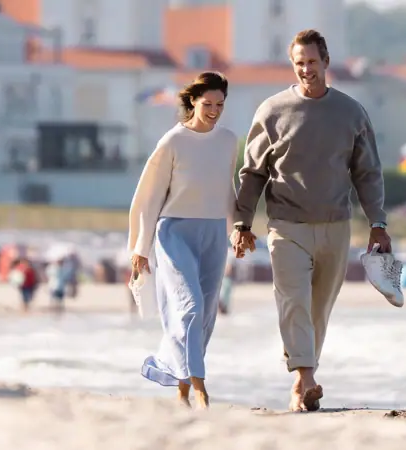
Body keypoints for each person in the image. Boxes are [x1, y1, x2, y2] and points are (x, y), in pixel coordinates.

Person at [231, 29, 391, 412]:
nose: (306, 70)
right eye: (299, 63)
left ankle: (301, 385)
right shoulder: (272, 111)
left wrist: (378, 223)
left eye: (312, 62)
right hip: (286, 225)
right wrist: (242, 223)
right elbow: (252, 172)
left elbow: (367, 172)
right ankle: (305, 376)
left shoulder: (351, 112)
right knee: (293, 301)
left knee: (318, 311)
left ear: (326, 62)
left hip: (336, 226)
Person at [127, 71, 238, 409]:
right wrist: (140, 248)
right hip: (174, 232)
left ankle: (181, 386)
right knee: (189, 308)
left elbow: (227, 190)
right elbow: (149, 196)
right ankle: (201, 387)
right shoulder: (173, 141)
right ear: (193, 101)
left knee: (204, 317)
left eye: (220, 104)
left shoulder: (229, 140)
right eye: (208, 104)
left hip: (214, 232)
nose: (214, 110)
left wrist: (237, 229)